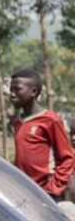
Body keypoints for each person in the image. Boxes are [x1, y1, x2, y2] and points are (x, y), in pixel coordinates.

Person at [10, 68, 75, 201]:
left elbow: (67, 158)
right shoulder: (17, 122)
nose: (12, 94)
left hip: (46, 193)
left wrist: (53, 188)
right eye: (11, 90)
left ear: (33, 91)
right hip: (24, 190)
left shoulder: (50, 120)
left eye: (17, 89)